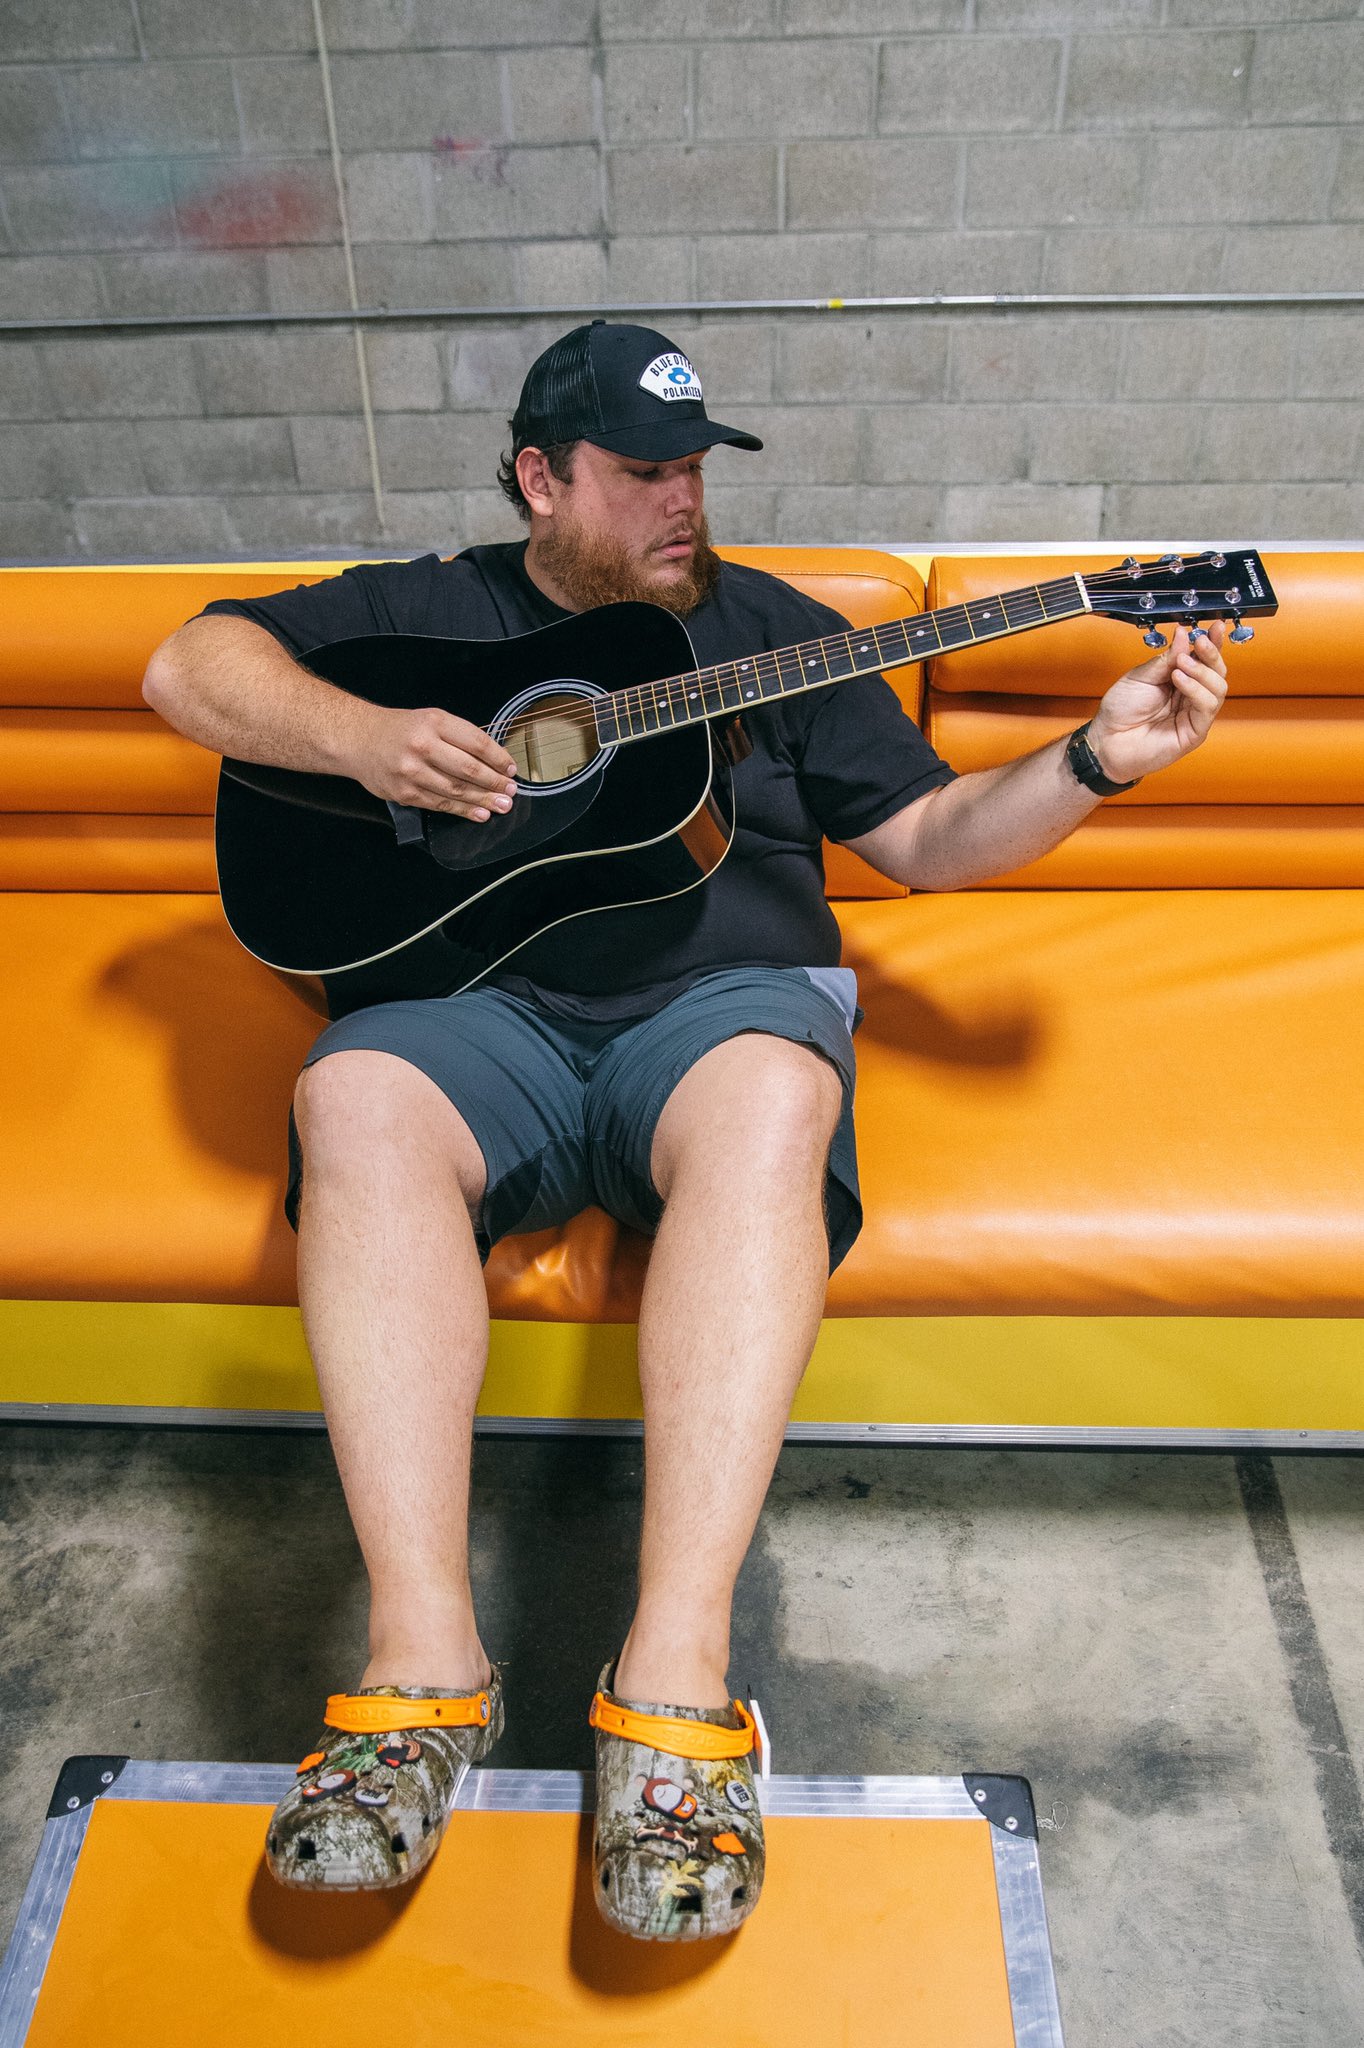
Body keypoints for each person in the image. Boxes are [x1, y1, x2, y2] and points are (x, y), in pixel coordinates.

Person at [143, 320, 1230, 1939]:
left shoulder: (775, 635)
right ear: (538, 478)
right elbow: (185, 670)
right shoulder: (423, 610)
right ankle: (423, 1668)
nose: (685, 504)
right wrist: (372, 740)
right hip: (466, 1014)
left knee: (780, 1091)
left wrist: (1092, 760)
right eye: (645, 473)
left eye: (697, 470)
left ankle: (674, 1676)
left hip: (714, 1016)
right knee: (349, 1094)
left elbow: (929, 839)